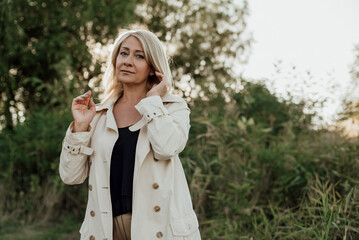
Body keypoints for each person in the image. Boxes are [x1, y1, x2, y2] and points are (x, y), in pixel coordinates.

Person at [59, 29, 201, 240]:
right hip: (106, 228)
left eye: (139, 56)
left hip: (158, 229)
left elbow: (167, 148)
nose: (127, 61)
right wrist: (80, 128)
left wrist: (153, 101)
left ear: (153, 68)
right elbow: (71, 176)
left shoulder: (172, 107)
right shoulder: (98, 115)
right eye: (123, 53)